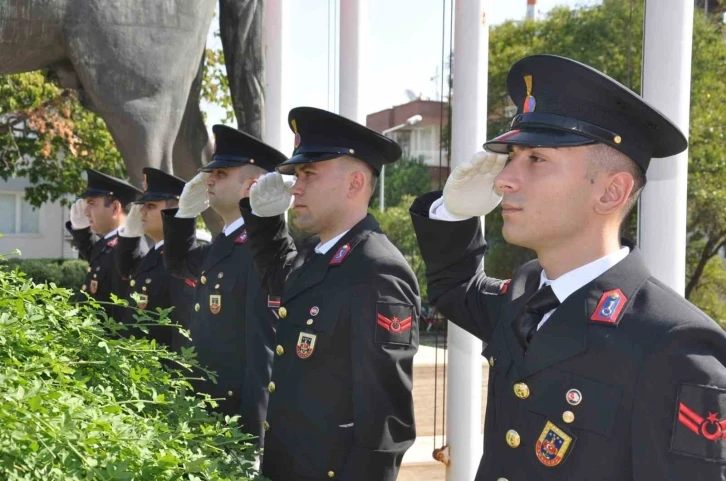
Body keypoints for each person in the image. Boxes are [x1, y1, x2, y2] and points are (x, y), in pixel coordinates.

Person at [410, 54, 726, 480]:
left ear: (612, 192)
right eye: (513, 156)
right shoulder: (526, 300)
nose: (504, 179)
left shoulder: (673, 347)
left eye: (536, 159)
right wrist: (452, 212)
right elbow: (455, 287)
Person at [240, 106, 420, 481]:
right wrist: (261, 216)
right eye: (296, 175)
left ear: (354, 183)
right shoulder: (315, 252)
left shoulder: (377, 268)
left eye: (309, 174)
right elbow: (282, 279)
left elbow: (384, 423)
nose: (296, 187)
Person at [161, 125, 285, 442]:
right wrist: (183, 214)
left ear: (252, 186)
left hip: (233, 423)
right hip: (205, 413)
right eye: (211, 172)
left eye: (222, 173)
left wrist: (252, 440)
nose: (209, 179)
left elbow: (263, 354)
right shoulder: (226, 241)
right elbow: (178, 264)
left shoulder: (261, 253)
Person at [114, 167, 194, 350]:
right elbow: (126, 270)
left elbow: (181, 329)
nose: (142, 212)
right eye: (142, 206)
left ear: (175, 208)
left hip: (163, 371)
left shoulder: (183, 259)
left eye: (151, 206)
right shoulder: (155, 254)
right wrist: (129, 235)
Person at [66, 169, 142, 319]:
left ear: (114, 208)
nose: (86, 212)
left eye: (92, 204)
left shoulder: (128, 249)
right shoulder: (110, 243)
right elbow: (94, 254)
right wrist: (81, 230)